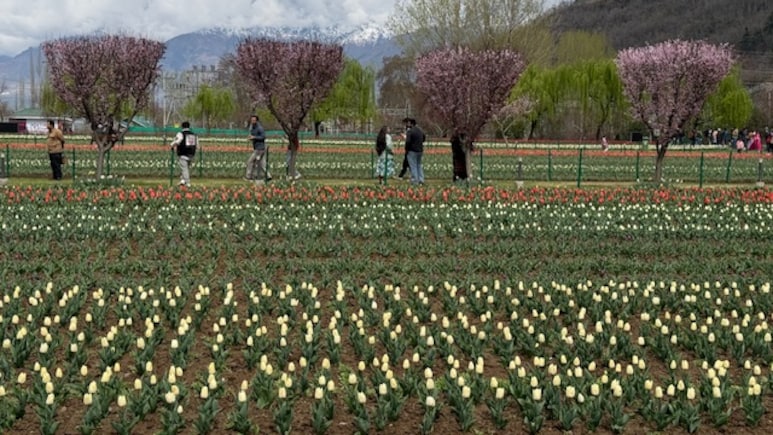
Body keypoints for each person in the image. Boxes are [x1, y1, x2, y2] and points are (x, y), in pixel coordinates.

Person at [169, 121, 197, 187]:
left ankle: (187, 183)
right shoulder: (193, 134)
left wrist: (172, 145)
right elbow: (197, 144)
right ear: (189, 126)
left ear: (182, 126)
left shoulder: (180, 133)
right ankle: (183, 180)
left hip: (183, 153)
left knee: (184, 169)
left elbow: (178, 141)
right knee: (186, 168)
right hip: (191, 154)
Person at [245, 115, 269, 183]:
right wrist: (251, 138)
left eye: (254, 120)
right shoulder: (253, 127)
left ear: (257, 121)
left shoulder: (259, 128)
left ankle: (249, 176)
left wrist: (254, 137)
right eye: (251, 120)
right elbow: (253, 136)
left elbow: (263, 137)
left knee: (250, 161)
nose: (252, 121)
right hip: (257, 148)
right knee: (261, 164)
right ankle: (268, 176)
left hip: (259, 149)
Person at [403, 117, 425, 184]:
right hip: (420, 150)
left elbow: (408, 141)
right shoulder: (420, 130)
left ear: (411, 124)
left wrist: (406, 149)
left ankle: (415, 180)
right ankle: (421, 179)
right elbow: (424, 138)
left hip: (412, 150)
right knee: (418, 165)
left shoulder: (410, 131)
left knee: (413, 165)